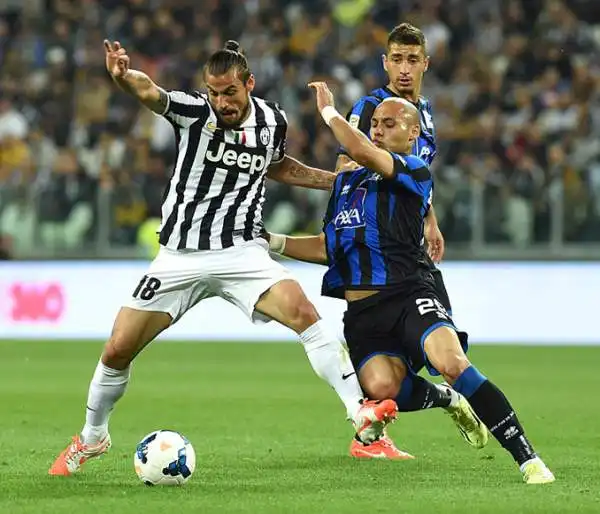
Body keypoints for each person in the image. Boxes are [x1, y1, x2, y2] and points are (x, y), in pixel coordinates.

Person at [48, 40, 397, 476]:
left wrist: (333, 181)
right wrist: (123, 76)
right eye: (212, 92)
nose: (220, 102)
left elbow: (277, 165)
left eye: (229, 92)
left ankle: (360, 414)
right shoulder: (193, 113)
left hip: (242, 251)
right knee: (117, 348)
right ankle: (93, 437)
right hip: (180, 254)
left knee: (302, 311)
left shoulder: (273, 120)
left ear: (249, 83)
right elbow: (151, 92)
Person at [267, 80, 555, 484]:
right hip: (364, 313)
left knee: (452, 363)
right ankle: (446, 400)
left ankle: (529, 460)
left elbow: (362, 151)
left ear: (413, 132)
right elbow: (329, 246)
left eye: (389, 123)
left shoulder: (414, 171)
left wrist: (330, 113)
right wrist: (272, 241)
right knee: (382, 388)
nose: (378, 130)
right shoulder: (346, 186)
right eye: (376, 124)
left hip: (409, 293)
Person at [333, 22, 468, 459]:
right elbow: (345, 167)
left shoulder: (424, 112)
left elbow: (416, 174)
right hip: (381, 247)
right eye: (397, 59)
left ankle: (376, 422)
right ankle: (372, 429)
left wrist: (430, 219)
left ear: (425, 63)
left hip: (411, 242)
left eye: (413, 60)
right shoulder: (372, 105)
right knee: (420, 342)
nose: (405, 68)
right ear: (385, 62)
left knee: (429, 347)